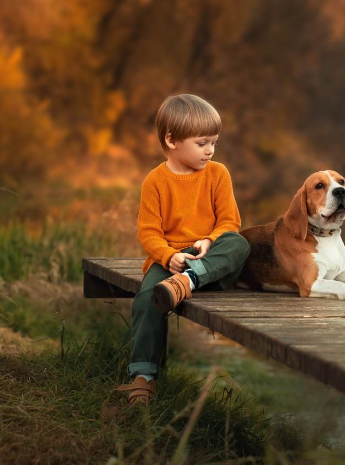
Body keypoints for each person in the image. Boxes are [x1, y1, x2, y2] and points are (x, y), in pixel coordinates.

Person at [114, 94, 251, 406]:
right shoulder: (155, 181)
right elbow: (148, 232)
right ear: (172, 140)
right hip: (172, 261)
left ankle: (187, 283)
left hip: (208, 259)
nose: (210, 150)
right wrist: (169, 256)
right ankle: (143, 377)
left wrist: (211, 239)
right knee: (148, 299)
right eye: (202, 142)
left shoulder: (218, 174)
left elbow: (230, 221)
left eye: (214, 142)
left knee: (239, 243)